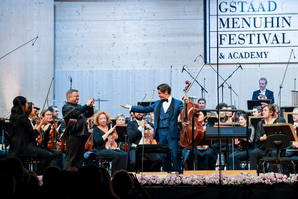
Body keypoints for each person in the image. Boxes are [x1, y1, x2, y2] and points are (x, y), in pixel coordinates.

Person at [122, 83, 183, 172]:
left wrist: (187, 102)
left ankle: (178, 175)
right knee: (164, 155)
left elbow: (185, 111)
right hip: (161, 132)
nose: (158, 95)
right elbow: (145, 109)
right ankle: (166, 175)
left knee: (174, 154)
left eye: (159, 93)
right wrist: (131, 107)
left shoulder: (178, 103)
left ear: (166, 92)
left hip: (172, 132)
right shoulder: (157, 103)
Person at [8, 96, 59, 174]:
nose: (27, 105)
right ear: (22, 106)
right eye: (26, 103)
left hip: (15, 148)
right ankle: (38, 174)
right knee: (49, 155)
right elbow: (33, 134)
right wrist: (41, 123)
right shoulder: (23, 118)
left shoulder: (13, 117)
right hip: (25, 147)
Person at [62, 89, 94, 169]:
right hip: (73, 136)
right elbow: (75, 113)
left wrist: (90, 107)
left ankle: (77, 176)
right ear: (69, 97)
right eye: (76, 96)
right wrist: (86, 106)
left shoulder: (79, 107)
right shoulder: (66, 107)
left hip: (82, 135)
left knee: (80, 159)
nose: (78, 98)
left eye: (78, 96)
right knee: (71, 158)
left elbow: (88, 114)